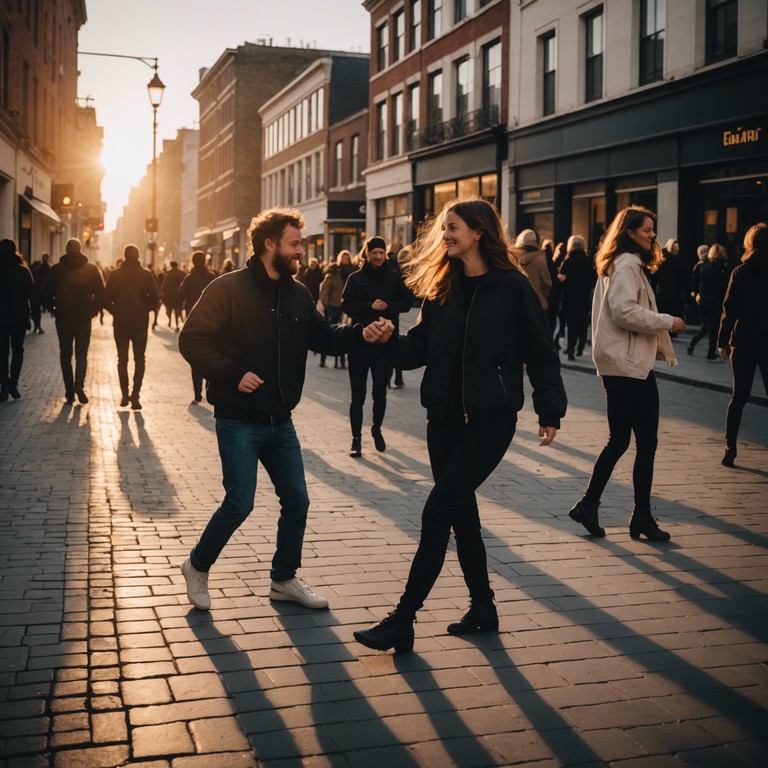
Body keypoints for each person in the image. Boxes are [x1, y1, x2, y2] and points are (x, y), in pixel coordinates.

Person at [353, 198, 566, 653]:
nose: (444, 235)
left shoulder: (512, 287)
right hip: (442, 421)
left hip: (490, 421)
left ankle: (403, 620)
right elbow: (420, 351)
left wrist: (550, 409)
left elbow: (542, 352)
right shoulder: (442, 288)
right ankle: (483, 608)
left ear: (478, 232)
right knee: (462, 518)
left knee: (437, 512)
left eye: (452, 228)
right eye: (444, 228)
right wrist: (388, 341)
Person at [177, 207, 393, 612]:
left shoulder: (297, 293)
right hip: (238, 418)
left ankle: (283, 579)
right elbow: (192, 340)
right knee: (240, 502)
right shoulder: (227, 289)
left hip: (282, 420)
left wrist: (362, 334)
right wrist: (231, 373)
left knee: (298, 501)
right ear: (269, 244)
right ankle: (197, 565)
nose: (301, 251)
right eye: (294, 244)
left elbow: (323, 335)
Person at [567, 205, 684, 543]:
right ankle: (641, 516)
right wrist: (667, 320)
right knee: (646, 442)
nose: (652, 235)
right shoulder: (628, 265)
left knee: (619, 439)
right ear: (631, 232)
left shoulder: (616, 263)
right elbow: (623, 311)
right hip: (630, 366)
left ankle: (589, 504)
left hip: (616, 364)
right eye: (647, 229)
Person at [341, 236, 413, 457]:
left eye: (382, 253)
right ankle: (356, 440)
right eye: (375, 253)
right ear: (367, 254)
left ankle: (376, 429)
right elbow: (346, 304)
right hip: (359, 346)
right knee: (358, 395)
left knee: (380, 393)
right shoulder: (355, 278)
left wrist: (389, 305)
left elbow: (408, 301)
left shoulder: (393, 277)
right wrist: (369, 306)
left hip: (385, 346)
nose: (379, 257)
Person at [717, 223, 768, 468]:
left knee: (739, 397)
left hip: (745, 340)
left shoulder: (740, 271)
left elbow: (729, 309)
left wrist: (722, 341)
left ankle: (730, 447)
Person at [43, 238, 105, 404]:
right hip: (83, 319)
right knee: (82, 355)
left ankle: (69, 391)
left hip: (63, 319)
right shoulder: (91, 269)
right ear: (80, 250)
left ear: (66, 250)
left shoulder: (56, 269)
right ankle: (79, 384)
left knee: (65, 355)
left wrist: (54, 309)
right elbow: (101, 295)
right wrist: (92, 312)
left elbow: (46, 294)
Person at [103, 244, 161, 410]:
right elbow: (156, 297)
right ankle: (136, 396)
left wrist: (116, 311)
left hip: (121, 323)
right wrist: (145, 310)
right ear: (138, 256)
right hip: (140, 323)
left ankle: (124, 395)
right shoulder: (146, 274)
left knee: (122, 360)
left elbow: (106, 300)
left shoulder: (115, 275)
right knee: (139, 359)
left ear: (125, 255)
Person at [179, 251, 217, 403]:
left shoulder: (189, 278)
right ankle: (209, 386)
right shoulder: (211, 277)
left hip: (194, 322)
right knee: (213, 354)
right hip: (213, 321)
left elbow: (181, 295)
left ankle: (197, 393)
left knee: (196, 357)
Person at [0, 239, 35, 401]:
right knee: (17, 350)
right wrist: (34, 316)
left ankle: (4, 385)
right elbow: (32, 295)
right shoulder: (23, 271)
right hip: (19, 317)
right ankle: (13, 382)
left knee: (2, 352)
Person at [687, 243, 730, 360]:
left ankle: (693, 345)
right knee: (712, 328)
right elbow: (723, 286)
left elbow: (697, 283)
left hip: (704, 302)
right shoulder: (720, 268)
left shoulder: (703, 266)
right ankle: (710, 353)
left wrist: (696, 293)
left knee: (707, 327)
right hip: (714, 302)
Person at [558, 235, 596, 361]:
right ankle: (580, 347)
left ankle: (570, 351)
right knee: (582, 323)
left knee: (571, 324)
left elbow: (562, 281)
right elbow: (592, 281)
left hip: (570, 297)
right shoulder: (588, 262)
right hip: (583, 297)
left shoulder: (567, 262)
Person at [653, 239, 687, 338]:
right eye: (675, 249)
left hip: (663, 293)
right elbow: (683, 279)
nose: (677, 251)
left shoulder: (661, 259)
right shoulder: (676, 261)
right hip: (671, 293)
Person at [514, 229, 552, 310]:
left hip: (517, 304)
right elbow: (547, 284)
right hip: (537, 304)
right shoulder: (540, 259)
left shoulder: (513, 258)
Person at [318, 262, 345, 369]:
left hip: (338, 308)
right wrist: (327, 307)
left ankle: (340, 361)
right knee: (329, 334)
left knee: (339, 334)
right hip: (332, 309)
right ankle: (323, 359)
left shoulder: (338, 277)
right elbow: (324, 295)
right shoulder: (329, 278)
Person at [161, 261, 185, 330]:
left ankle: (170, 321)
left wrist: (162, 290)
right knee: (177, 310)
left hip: (169, 294)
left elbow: (165, 283)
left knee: (169, 309)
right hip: (178, 294)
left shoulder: (168, 273)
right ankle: (177, 324)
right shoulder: (182, 273)